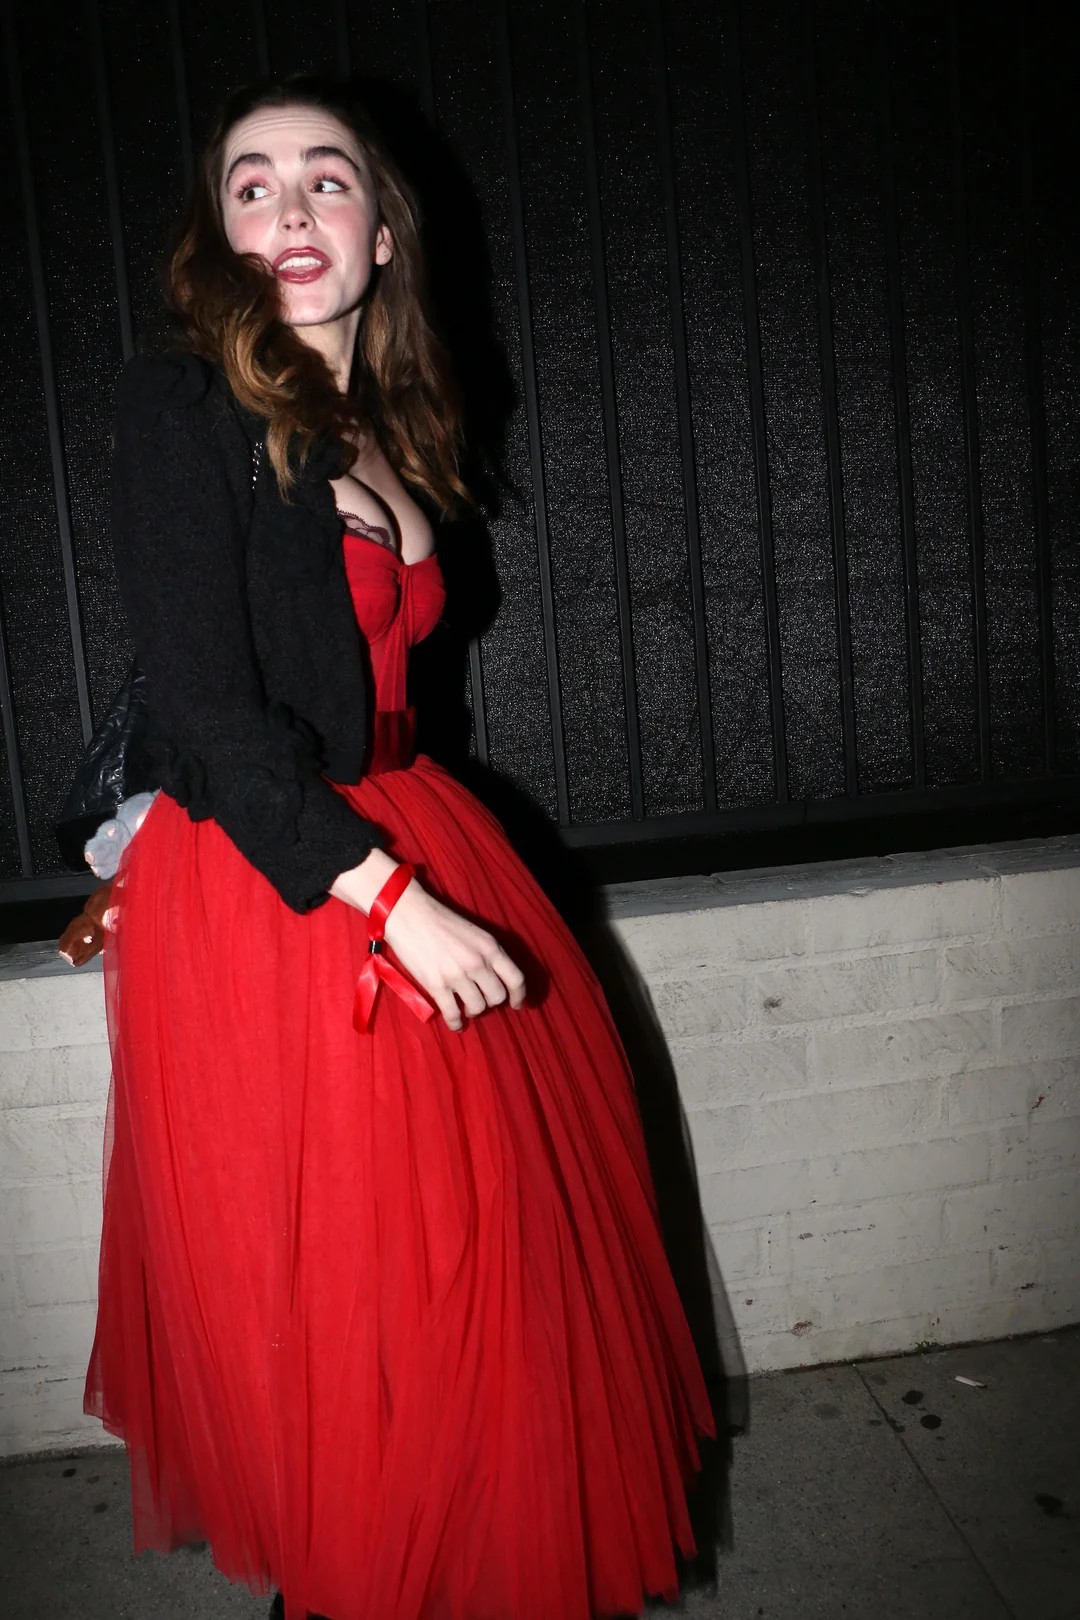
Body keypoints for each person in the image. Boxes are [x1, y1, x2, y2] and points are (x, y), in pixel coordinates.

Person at [82, 73, 716, 1620]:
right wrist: (391, 903)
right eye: (250, 184)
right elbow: (211, 710)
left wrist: (415, 878)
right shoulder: (186, 411)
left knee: (485, 1283)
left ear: (382, 233)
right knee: (357, 1311)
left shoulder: (388, 425)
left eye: (327, 178)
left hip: (408, 824)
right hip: (289, 884)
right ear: (218, 237)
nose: (289, 207)